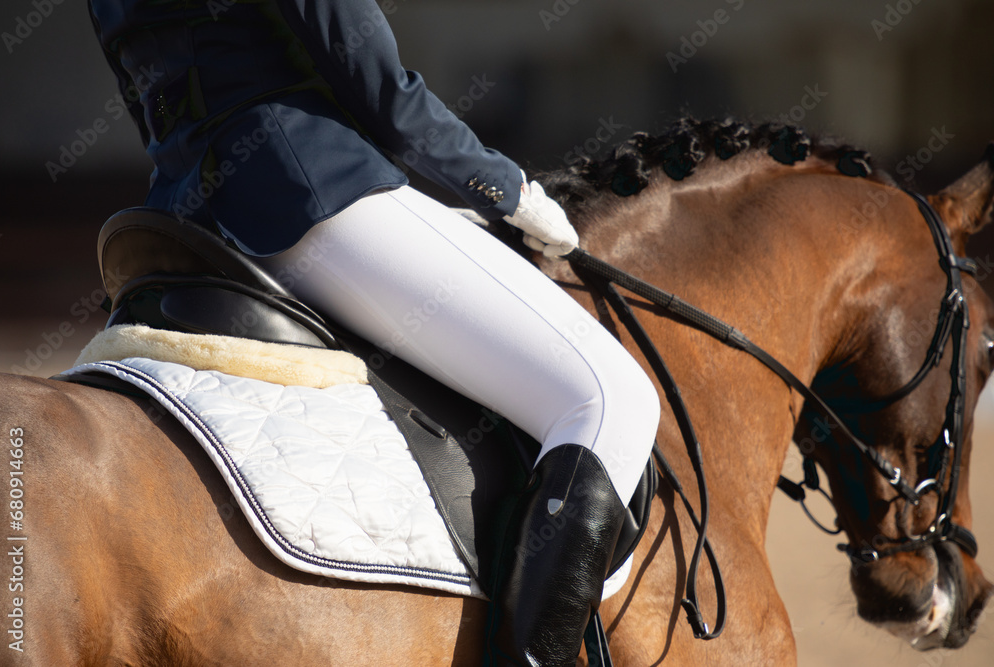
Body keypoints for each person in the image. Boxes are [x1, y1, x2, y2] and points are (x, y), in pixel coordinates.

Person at [88, 0, 661, 663]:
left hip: (187, 219)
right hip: (310, 189)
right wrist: (506, 188)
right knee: (611, 398)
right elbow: (383, 91)